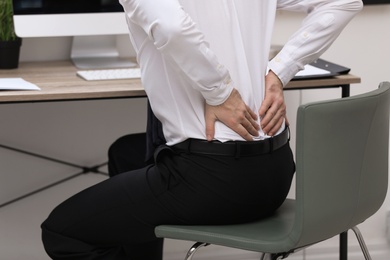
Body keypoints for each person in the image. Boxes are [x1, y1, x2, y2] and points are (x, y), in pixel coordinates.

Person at [41, 1, 363, 259]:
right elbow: (344, 2)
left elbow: (169, 25)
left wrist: (219, 92)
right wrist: (279, 72)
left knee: (62, 232)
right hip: (275, 173)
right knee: (127, 153)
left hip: (214, 180)